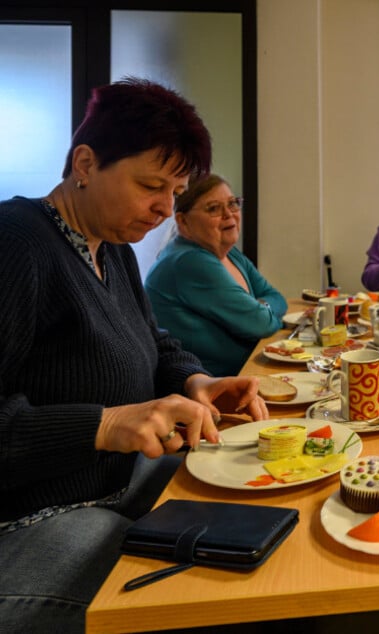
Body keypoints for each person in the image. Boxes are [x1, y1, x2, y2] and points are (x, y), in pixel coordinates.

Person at [0, 78, 268, 633]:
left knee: (255, 512)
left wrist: (196, 381)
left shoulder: (112, 246)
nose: (164, 209)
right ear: (86, 162)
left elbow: (154, 343)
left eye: (175, 190)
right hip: (32, 516)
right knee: (193, 601)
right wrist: (104, 425)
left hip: (117, 485)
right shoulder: (17, 244)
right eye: (151, 185)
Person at [146, 174, 288, 376]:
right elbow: (262, 324)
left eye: (232, 204)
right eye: (213, 208)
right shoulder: (190, 261)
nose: (229, 215)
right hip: (204, 391)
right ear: (183, 221)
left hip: (242, 376)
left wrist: (261, 309)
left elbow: (278, 298)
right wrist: (263, 312)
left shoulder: (229, 253)